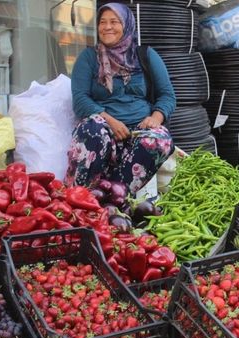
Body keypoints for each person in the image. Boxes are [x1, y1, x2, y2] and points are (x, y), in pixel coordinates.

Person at [66, 2, 175, 194]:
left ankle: (115, 196)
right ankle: (82, 197)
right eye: (102, 22)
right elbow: (80, 100)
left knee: (160, 140)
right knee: (92, 128)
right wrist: (111, 122)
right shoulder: (89, 58)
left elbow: (167, 95)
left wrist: (155, 119)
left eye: (114, 22)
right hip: (104, 129)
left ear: (127, 25)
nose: (107, 27)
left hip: (138, 131)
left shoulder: (145, 55)